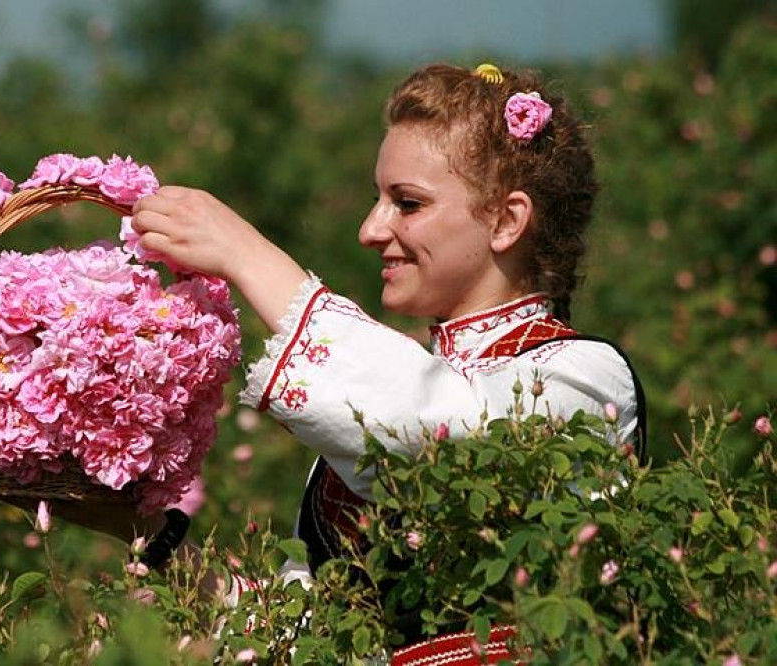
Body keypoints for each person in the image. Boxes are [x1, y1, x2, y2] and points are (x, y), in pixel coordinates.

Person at [87, 62, 644, 665]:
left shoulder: (585, 381)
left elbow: (435, 430)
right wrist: (138, 525)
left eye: (407, 203)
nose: (370, 229)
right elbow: (303, 632)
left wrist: (246, 254)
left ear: (507, 221)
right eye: (379, 200)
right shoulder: (382, 408)